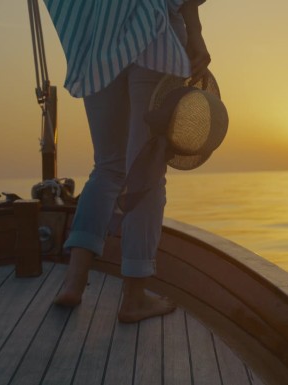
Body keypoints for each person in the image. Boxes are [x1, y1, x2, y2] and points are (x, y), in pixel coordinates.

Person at [43, 0, 211, 322]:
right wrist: (195, 31)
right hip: (154, 32)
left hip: (96, 37)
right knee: (145, 170)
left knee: (107, 166)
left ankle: (73, 283)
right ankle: (134, 298)